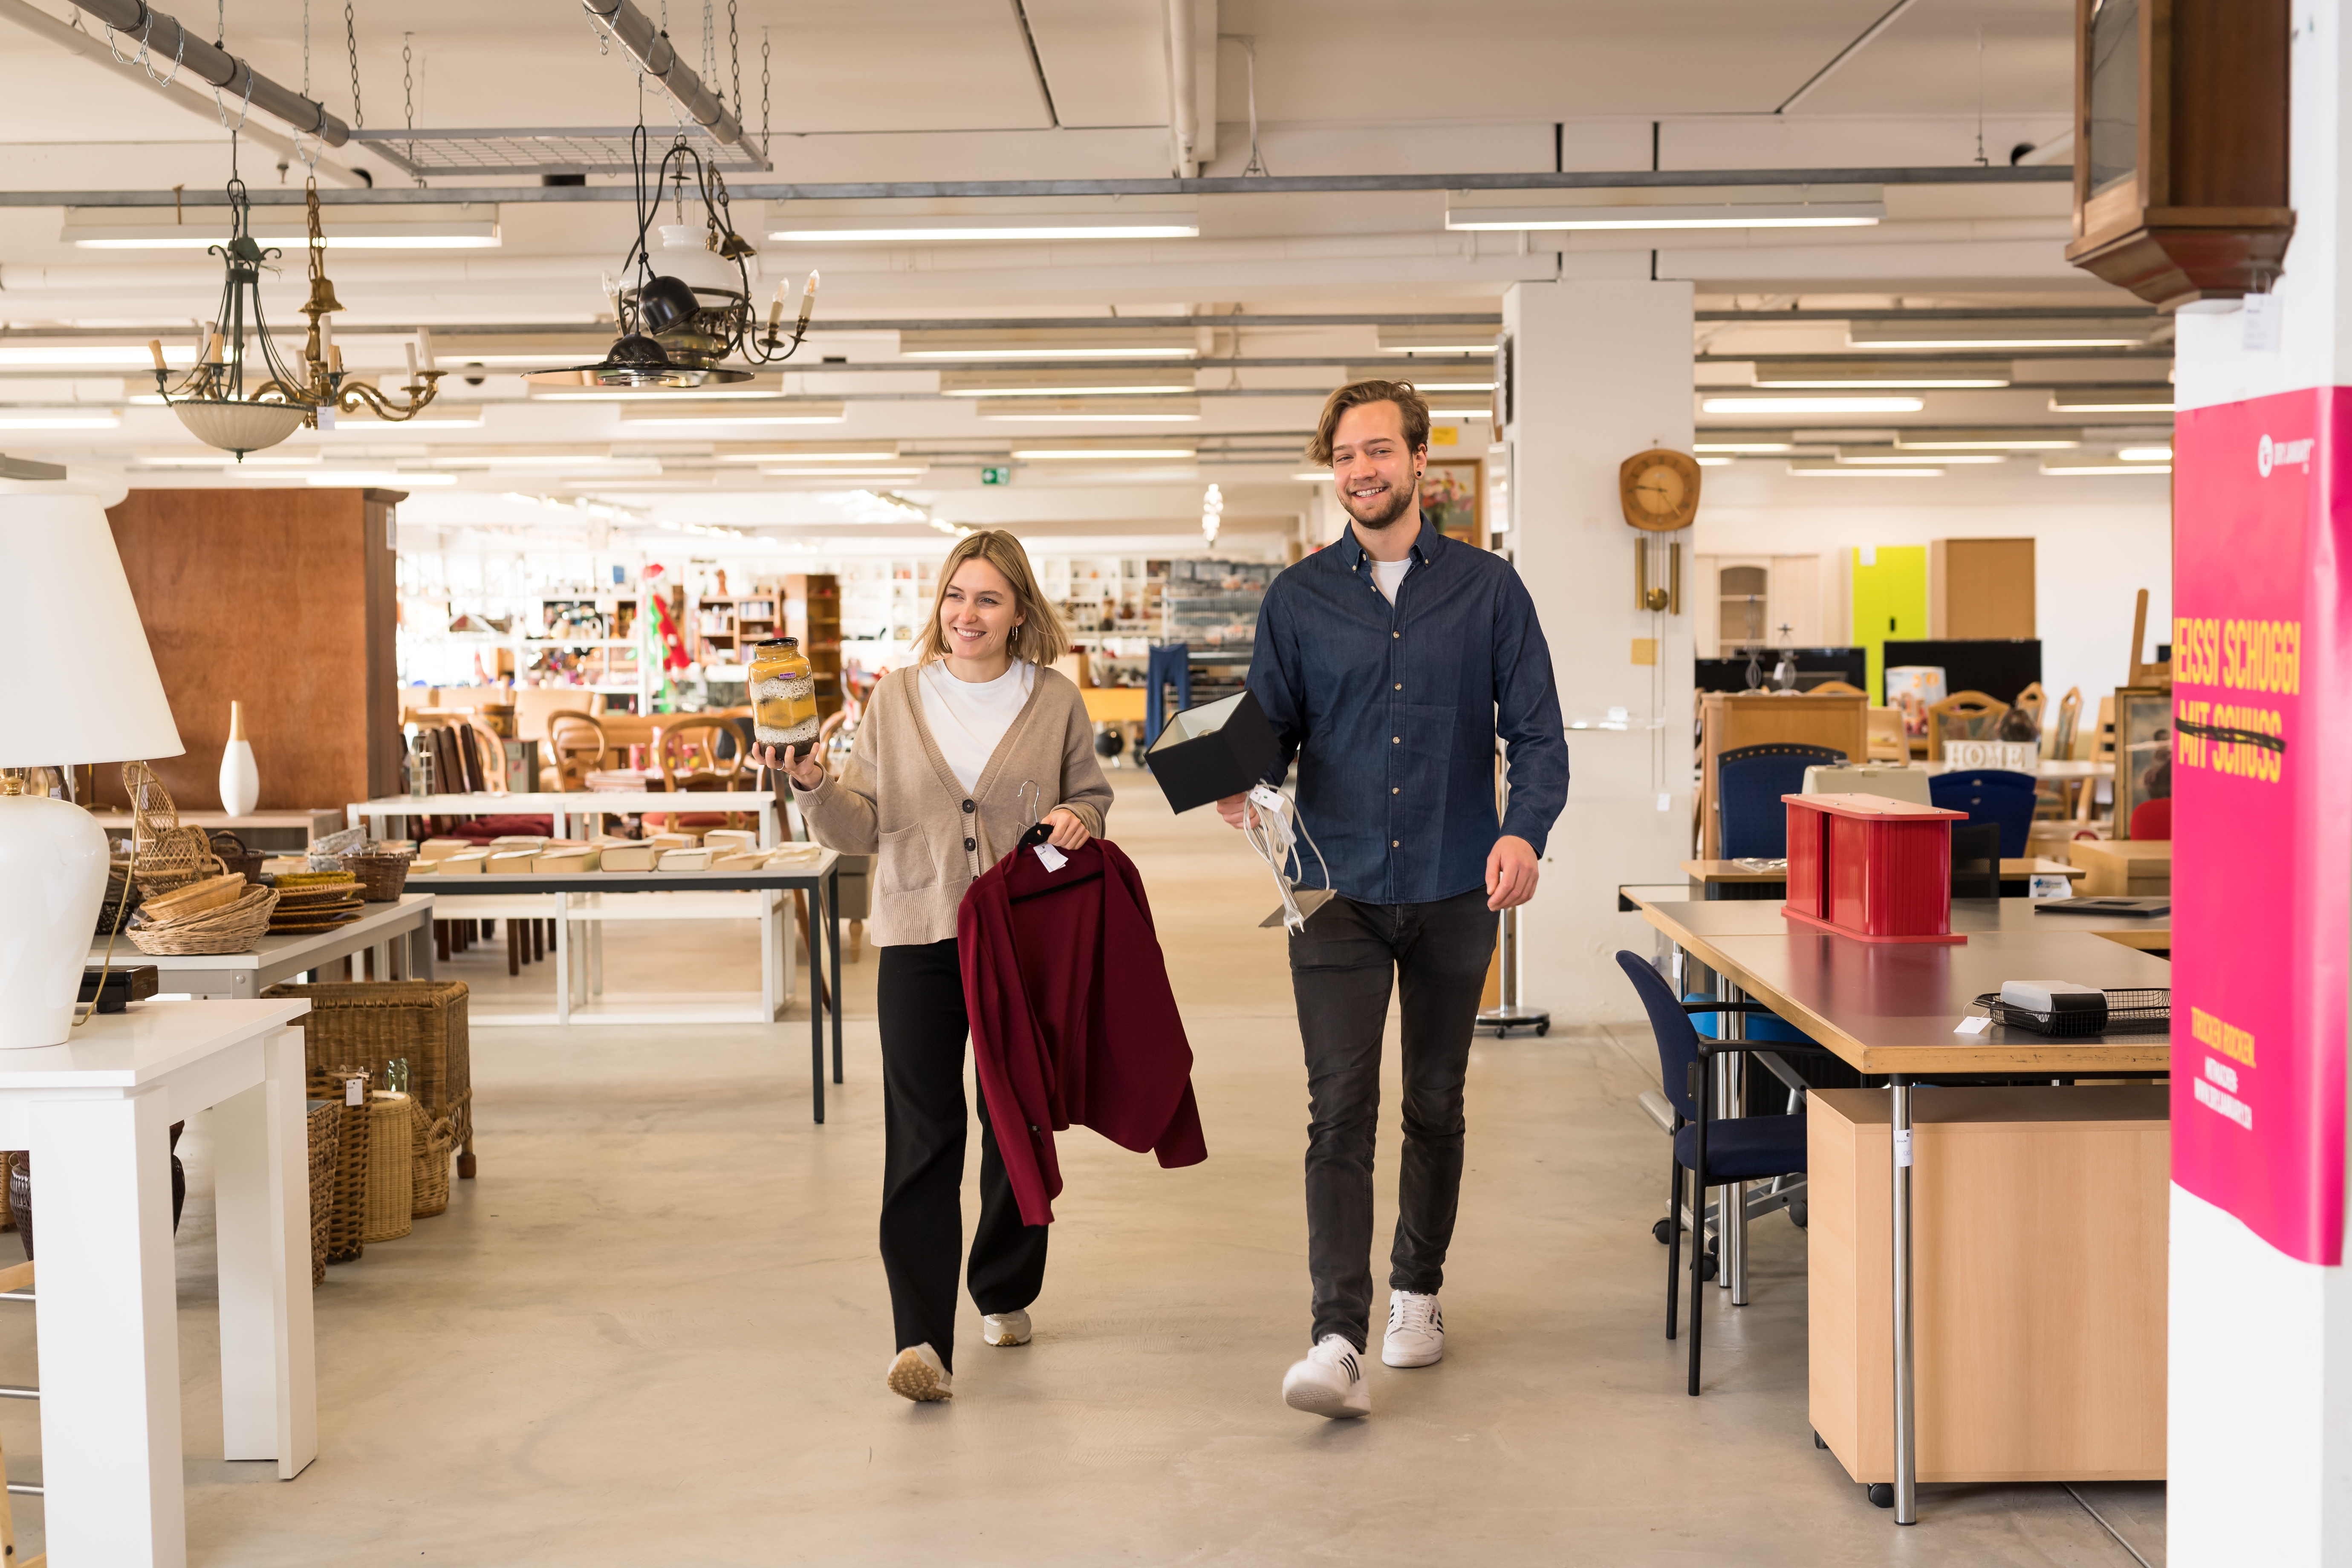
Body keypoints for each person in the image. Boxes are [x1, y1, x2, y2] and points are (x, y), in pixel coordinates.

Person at [1222, 379, 1569, 1419]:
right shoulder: (1296, 599)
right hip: (1332, 892)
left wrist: (1524, 830)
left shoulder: (1488, 591)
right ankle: (1334, 1335)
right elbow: (1267, 734)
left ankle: (1416, 1292)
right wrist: (1242, 782)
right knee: (1339, 1110)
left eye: (1379, 450)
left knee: (1434, 1102)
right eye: (1343, 455)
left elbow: (1540, 736)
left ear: (1421, 461)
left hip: (1457, 882)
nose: (1361, 470)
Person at [760, 528, 1112, 1405]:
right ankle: (920, 1336)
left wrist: (1078, 816)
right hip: (916, 933)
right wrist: (811, 784)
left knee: (1014, 1122)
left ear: (1018, 611)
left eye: (987, 599)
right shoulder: (894, 699)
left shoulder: (1055, 698)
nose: (967, 614)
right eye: (956, 596)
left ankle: (1002, 1282)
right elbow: (858, 827)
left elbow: (1092, 795)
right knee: (922, 1136)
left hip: (1021, 938)